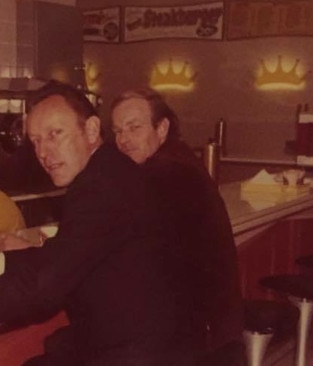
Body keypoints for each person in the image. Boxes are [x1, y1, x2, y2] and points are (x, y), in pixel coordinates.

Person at [0, 82, 195, 365]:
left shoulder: (102, 186)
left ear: (91, 130)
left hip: (135, 354)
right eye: (36, 141)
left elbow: (44, 287)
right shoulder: (108, 171)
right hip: (142, 344)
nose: (44, 152)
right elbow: (67, 252)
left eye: (55, 134)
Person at [110, 88, 244, 364]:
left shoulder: (164, 172)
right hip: (213, 327)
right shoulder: (176, 159)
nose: (123, 139)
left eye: (134, 128)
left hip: (195, 336)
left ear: (162, 128)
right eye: (117, 131)